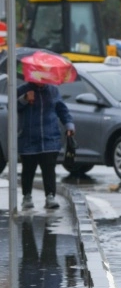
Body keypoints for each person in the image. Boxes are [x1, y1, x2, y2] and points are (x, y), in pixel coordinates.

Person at [15, 79, 75, 210]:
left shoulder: (53, 90)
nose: (41, 81)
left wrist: (69, 125)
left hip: (49, 137)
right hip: (28, 138)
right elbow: (12, 107)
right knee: (28, 170)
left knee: (49, 169)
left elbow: (62, 109)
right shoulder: (23, 89)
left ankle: (50, 196)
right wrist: (24, 98)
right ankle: (27, 196)